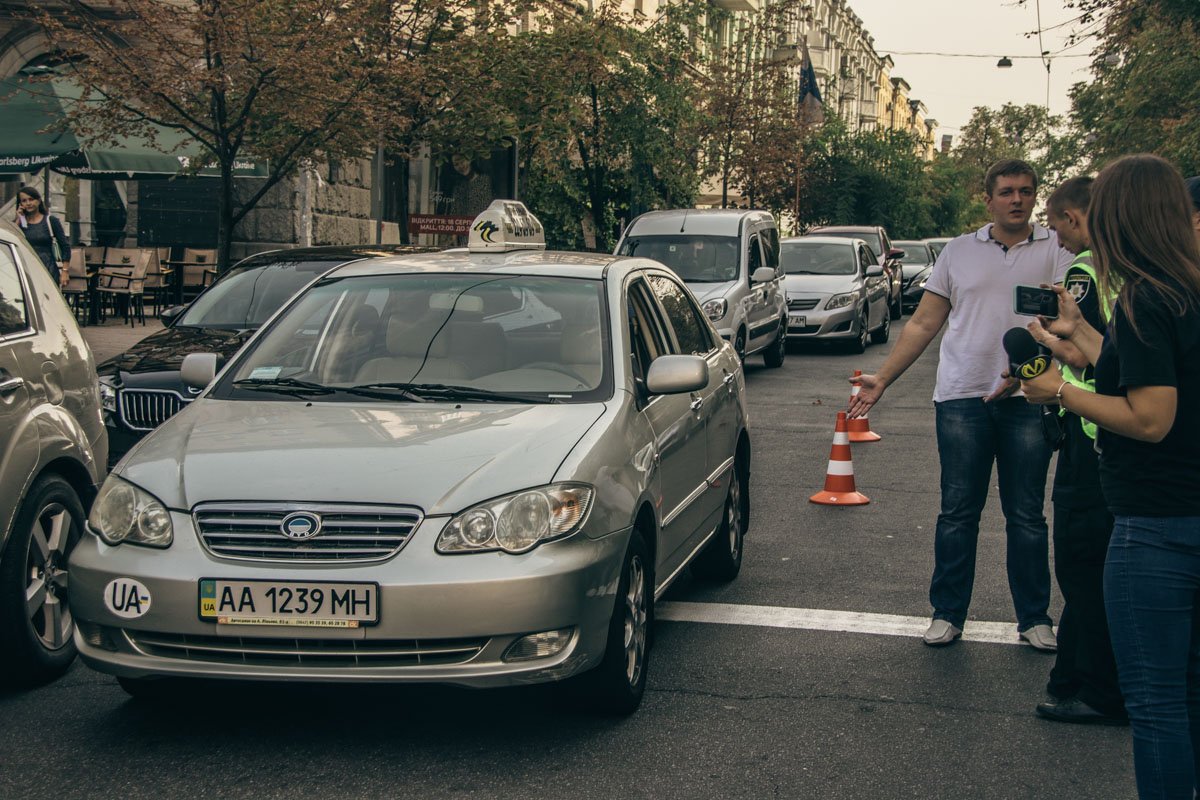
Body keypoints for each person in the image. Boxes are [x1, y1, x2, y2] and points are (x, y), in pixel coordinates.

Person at [1020, 154, 1200, 798]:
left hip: (1158, 525)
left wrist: (1057, 393)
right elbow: (1147, 371)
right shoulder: (1186, 290)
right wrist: (1084, 342)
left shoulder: (1149, 298)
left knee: (1156, 706)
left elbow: (1150, 417)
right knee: (1189, 694)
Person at [848, 159, 1072, 649]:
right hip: (962, 397)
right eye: (1008, 192)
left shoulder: (1056, 248)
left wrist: (1025, 374)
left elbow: (1063, 324)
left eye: (1027, 192)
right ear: (988, 199)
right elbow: (925, 323)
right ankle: (947, 613)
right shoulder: (959, 251)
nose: (1018, 199)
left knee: (1027, 515)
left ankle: (1034, 618)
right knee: (957, 512)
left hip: (1029, 397)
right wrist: (882, 380)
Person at [1030, 176, 1127, 726]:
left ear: (1074, 217)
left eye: (1053, 217)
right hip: (1104, 430)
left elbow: (1089, 351)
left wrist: (1050, 352)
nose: (1051, 229)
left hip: (1095, 434)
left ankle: (1097, 687)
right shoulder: (1127, 266)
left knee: (1084, 565)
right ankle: (1073, 675)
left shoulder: (1087, 269)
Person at [14, 185, 70, 287]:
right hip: (26, 270)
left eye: (31, 199)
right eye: (24, 201)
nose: (28, 203)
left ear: (39, 201)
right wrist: (19, 218)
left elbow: (65, 246)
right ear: (20, 204)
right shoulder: (21, 222)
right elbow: (13, 238)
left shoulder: (51, 221)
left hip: (48, 269)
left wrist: (65, 271)